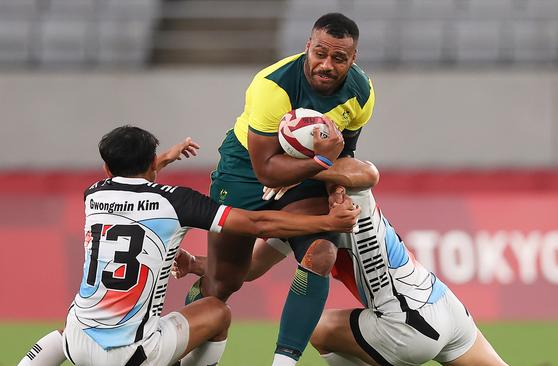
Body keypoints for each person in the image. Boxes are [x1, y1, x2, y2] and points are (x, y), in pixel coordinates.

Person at [18, 125, 360, 366]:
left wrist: (163, 158)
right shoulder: (178, 202)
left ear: (107, 168)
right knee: (217, 311)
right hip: (132, 356)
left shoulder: (93, 194)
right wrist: (327, 223)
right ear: (151, 164)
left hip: (78, 346)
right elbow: (258, 224)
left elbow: (128, 183)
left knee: (74, 325)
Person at [174, 158, 509, 366]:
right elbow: (254, 268)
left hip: (407, 324)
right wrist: (198, 265)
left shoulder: (344, 199)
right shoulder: (311, 222)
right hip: (443, 303)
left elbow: (365, 174)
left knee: (316, 329)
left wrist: (302, 169)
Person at [202, 12, 376, 365]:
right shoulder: (272, 85)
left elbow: (347, 152)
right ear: (307, 47)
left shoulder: (362, 93)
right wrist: (324, 164)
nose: (326, 65)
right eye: (320, 54)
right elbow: (266, 170)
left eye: (339, 58)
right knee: (224, 281)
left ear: (353, 58)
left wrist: (335, 192)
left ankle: (284, 362)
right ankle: (188, 353)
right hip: (246, 170)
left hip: (310, 173)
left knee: (321, 253)